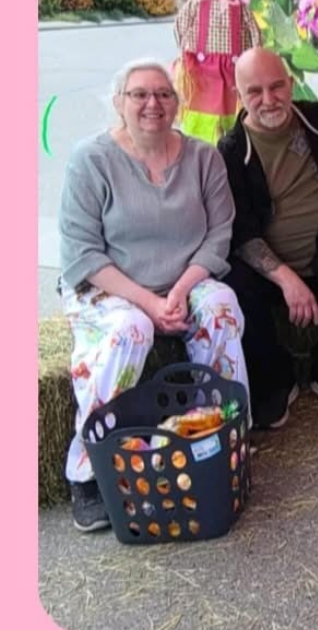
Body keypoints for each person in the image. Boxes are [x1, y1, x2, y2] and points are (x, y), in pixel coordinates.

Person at [57, 61, 248, 531]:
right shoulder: (91, 160)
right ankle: (89, 469)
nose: (152, 104)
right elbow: (83, 253)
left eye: (164, 94)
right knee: (131, 330)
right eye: (139, 94)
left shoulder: (203, 158)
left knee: (221, 307)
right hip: (110, 286)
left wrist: (179, 291)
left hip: (183, 281)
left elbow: (219, 235)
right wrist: (149, 303)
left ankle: (218, 438)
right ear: (118, 102)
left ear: (177, 103)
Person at [222, 50, 318, 430]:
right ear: (239, 96)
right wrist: (286, 279)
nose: (269, 99)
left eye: (277, 87)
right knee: (233, 281)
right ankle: (275, 381)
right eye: (254, 91)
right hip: (272, 269)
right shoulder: (230, 152)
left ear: (291, 84)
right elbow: (242, 233)